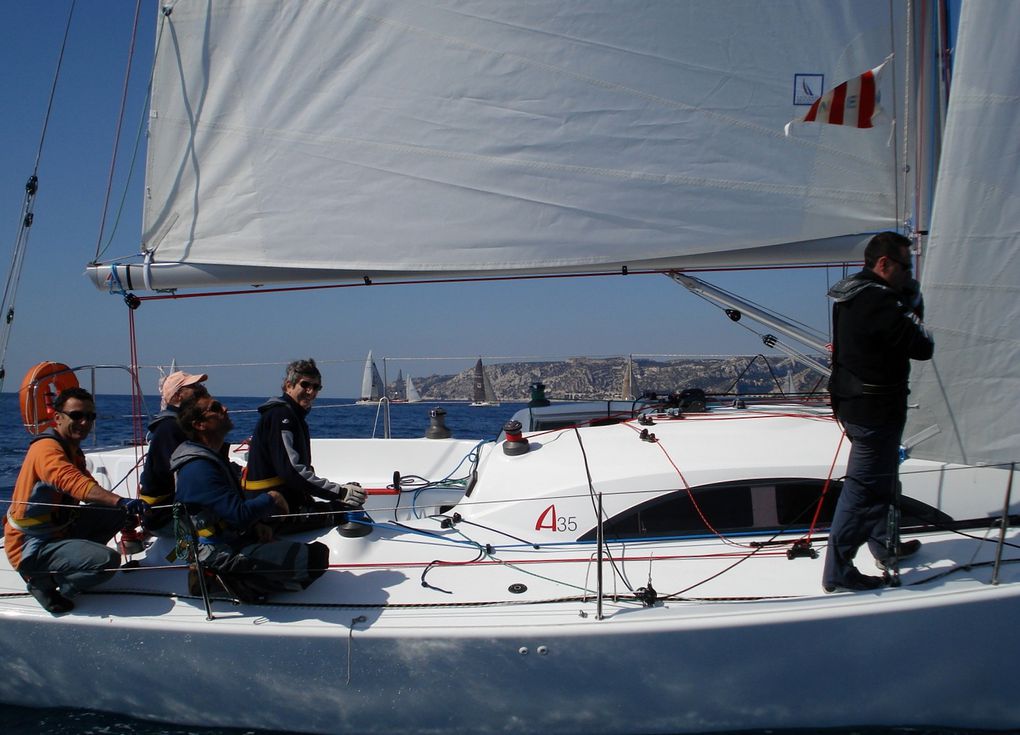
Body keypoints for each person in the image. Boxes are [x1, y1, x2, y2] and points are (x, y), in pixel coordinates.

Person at [823, 231, 934, 592]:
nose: (909, 273)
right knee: (864, 489)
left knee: (883, 480)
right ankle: (838, 570)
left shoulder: (850, 294)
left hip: (856, 405)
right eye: (905, 266)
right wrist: (913, 302)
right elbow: (922, 347)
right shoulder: (881, 301)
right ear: (884, 263)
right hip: (876, 412)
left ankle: (885, 547)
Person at [170, 393, 331, 601]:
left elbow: (227, 509)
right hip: (216, 555)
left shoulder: (211, 459)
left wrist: (256, 527)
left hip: (231, 539)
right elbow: (239, 515)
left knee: (296, 548)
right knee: (315, 558)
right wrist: (272, 498)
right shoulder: (198, 469)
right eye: (216, 408)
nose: (225, 409)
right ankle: (224, 580)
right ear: (200, 424)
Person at [4, 387, 149, 614]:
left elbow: (87, 483)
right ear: (57, 417)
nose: (84, 422)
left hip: (59, 531)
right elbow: (72, 482)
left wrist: (124, 507)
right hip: (32, 547)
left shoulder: (71, 449)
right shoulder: (46, 449)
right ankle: (47, 584)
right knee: (108, 560)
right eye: (77, 416)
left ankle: (78, 561)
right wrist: (121, 501)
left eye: (90, 417)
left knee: (117, 512)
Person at [242, 358, 367, 534]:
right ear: (288, 385)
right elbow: (291, 471)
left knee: (343, 501)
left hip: (283, 503)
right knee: (348, 510)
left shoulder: (289, 415)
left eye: (316, 387)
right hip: (275, 512)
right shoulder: (282, 417)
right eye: (305, 385)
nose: (311, 391)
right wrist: (340, 493)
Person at [139, 370, 209, 534]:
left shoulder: (182, 426)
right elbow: (182, 476)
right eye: (193, 387)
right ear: (178, 396)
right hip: (166, 516)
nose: (201, 389)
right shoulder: (170, 428)